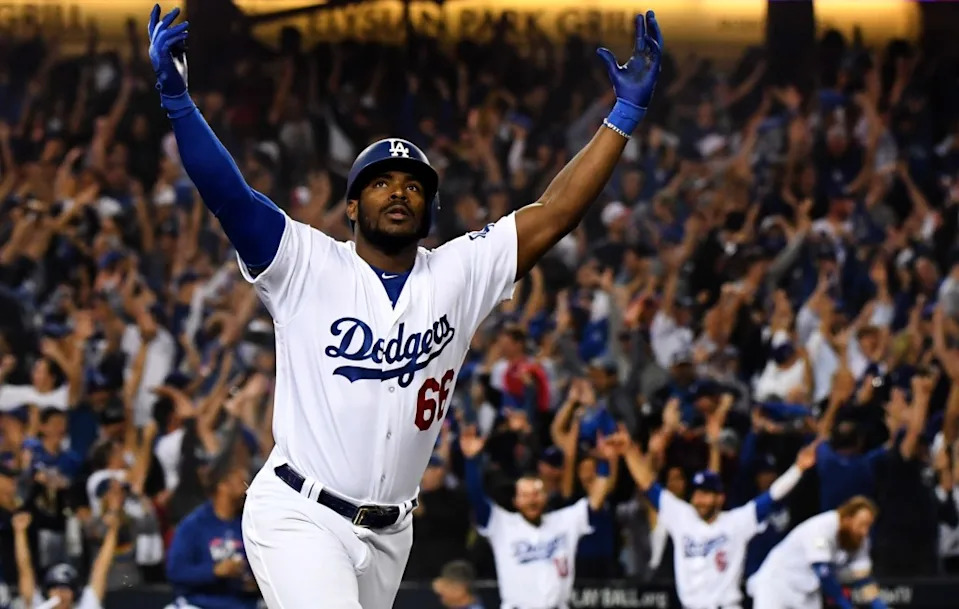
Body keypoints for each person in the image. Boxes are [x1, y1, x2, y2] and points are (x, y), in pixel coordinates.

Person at [146, 4, 663, 608]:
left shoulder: (459, 273)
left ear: (429, 211)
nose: (398, 191)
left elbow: (554, 213)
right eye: (381, 182)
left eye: (414, 185)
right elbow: (229, 196)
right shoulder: (305, 263)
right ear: (352, 208)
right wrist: (179, 104)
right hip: (300, 514)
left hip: (393, 533)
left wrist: (623, 116)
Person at [602, 426, 817, 609]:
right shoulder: (682, 516)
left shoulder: (736, 522)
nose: (700, 499)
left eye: (706, 494)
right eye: (697, 493)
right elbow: (648, 483)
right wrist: (629, 450)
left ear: (719, 498)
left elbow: (771, 496)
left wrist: (797, 469)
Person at [460, 426, 614, 609]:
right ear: (515, 501)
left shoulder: (565, 521)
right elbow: (477, 499)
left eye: (536, 493)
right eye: (525, 495)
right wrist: (471, 461)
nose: (531, 500)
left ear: (545, 496)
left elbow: (596, 500)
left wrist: (605, 462)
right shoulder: (502, 524)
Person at [747, 496, 888, 609]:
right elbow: (823, 573)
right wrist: (846, 605)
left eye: (868, 525)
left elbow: (862, 577)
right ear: (847, 518)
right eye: (861, 524)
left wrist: (878, 605)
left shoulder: (860, 538)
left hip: (808, 591)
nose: (865, 531)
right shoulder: (821, 527)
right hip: (777, 585)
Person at [165, 465, 258, 609]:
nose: (246, 483)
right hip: (201, 603)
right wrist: (214, 571)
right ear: (222, 485)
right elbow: (176, 571)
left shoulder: (250, 523)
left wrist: (255, 583)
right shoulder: (194, 524)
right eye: (239, 479)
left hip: (243, 604)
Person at [12, 511, 119, 609]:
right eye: (55, 588)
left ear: (75, 593)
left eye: (66, 588)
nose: (61, 593)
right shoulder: (39, 605)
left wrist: (113, 530)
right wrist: (19, 532)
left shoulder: (86, 605)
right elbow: (24, 569)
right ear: (47, 592)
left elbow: (101, 568)